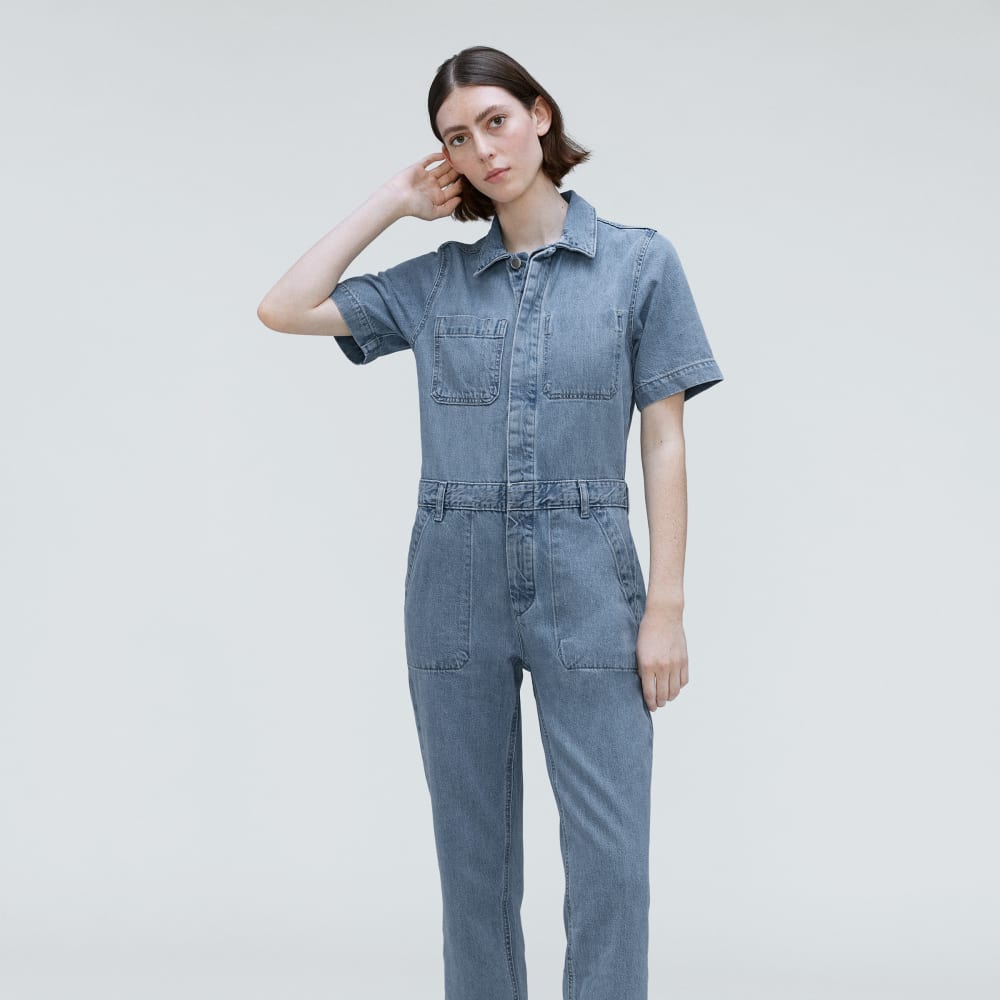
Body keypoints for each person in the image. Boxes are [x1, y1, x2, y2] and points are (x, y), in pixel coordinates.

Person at [257, 44, 723, 1000]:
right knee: (472, 873)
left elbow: (664, 440)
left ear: (540, 114)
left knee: (610, 867)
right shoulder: (436, 283)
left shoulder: (639, 264)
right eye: (457, 140)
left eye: (495, 121)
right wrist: (393, 200)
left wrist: (666, 607)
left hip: (590, 579)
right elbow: (283, 306)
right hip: (452, 587)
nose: (483, 151)